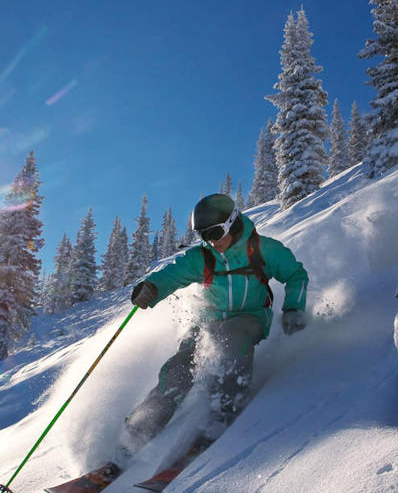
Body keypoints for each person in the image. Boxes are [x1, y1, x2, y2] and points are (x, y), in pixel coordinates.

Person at [118, 193, 308, 461]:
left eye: (216, 232)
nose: (211, 241)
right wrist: (152, 287)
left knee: (233, 338)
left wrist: (293, 307)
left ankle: (225, 408)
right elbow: (172, 274)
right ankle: (141, 427)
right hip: (208, 319)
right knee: (181, 364)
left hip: (249, 316)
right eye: (204, 235)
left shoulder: (263, 250)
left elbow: (296, 275)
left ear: (232, 222)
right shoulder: (203, 258)